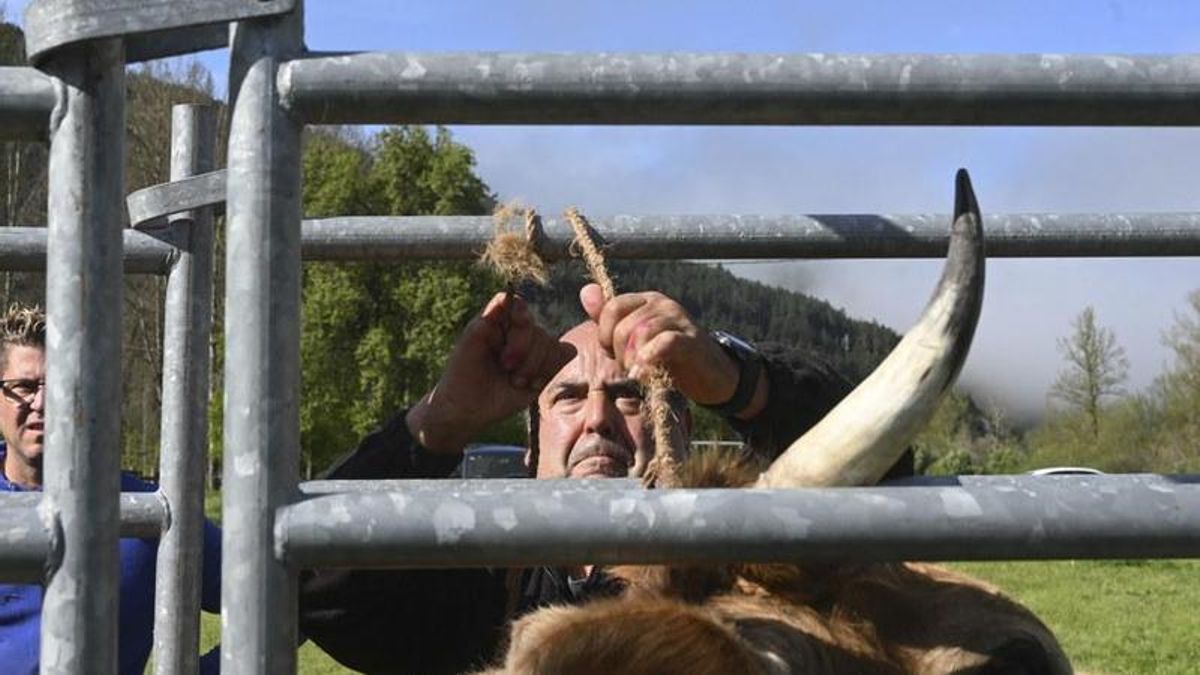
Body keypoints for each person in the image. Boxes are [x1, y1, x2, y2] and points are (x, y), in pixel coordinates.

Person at [300, 284, 913, 673]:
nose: (596, 417)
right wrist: (437, 423)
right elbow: (312, 587)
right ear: (531, 447)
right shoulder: (480, 580)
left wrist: (738, 382)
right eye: (567, 398)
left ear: (677, 425)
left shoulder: (746, 570)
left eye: (627, 396)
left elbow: (887, 471)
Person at [0, 304, 223, 675]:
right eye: (23, 387)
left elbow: (270, 591)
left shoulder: (147, 513)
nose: (40, 403)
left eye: (57, 386)